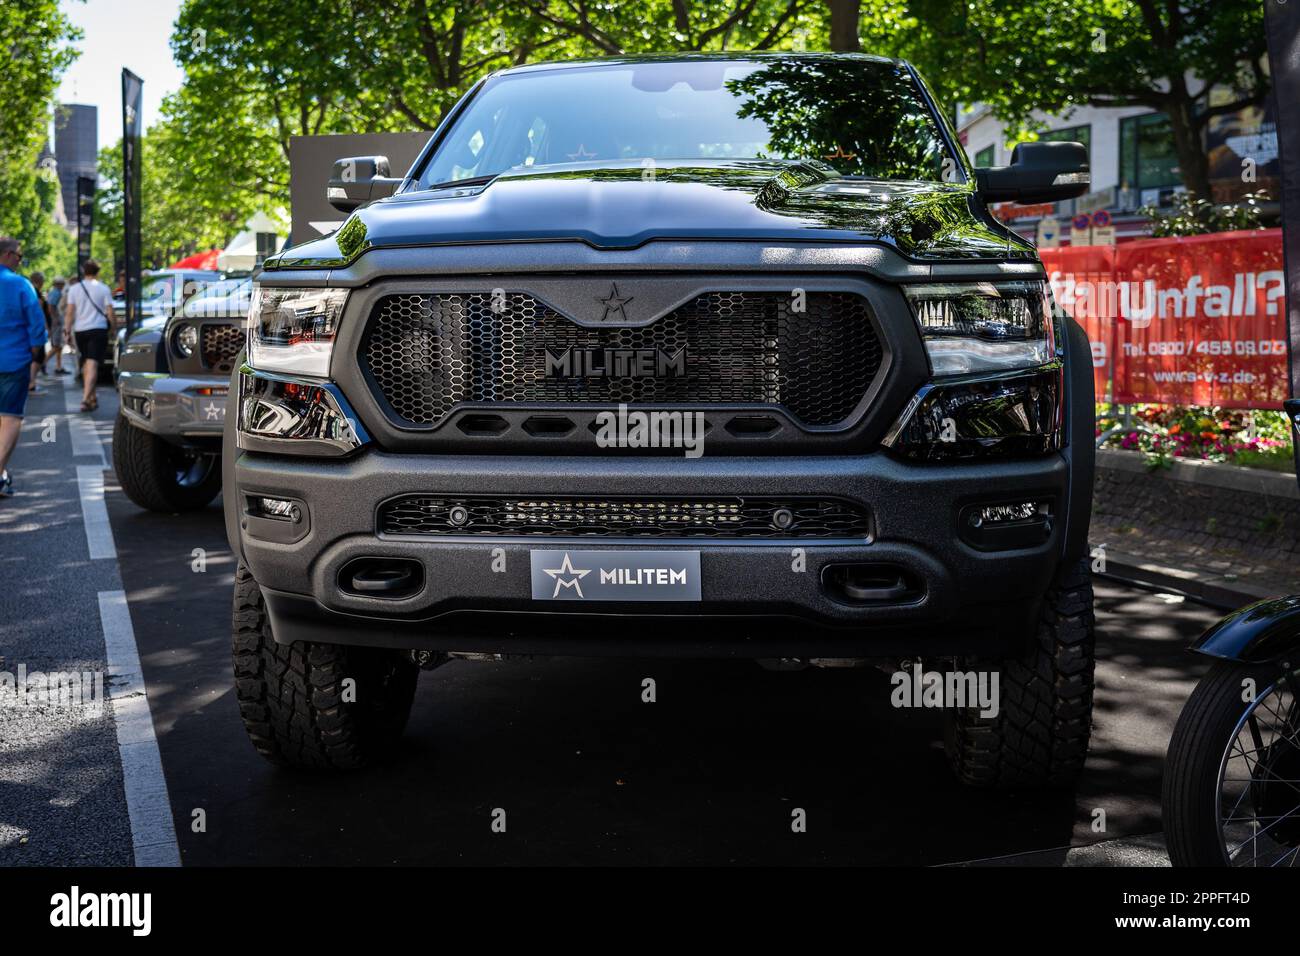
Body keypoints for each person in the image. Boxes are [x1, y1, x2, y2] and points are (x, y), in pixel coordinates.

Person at [0, 237, 48, 497]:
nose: (20, 260)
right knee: (9, 417)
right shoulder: (20, 284)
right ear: (7, 255)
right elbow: (36, 323)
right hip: (12, 360)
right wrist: (35, 347)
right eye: (19, 255)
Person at [63, 258, 115, 413]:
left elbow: (70, 312)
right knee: (92, 363)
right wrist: (113, 328)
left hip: (80, 330)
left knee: (87, 363)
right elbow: (110, 312)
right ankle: (85, 399)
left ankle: (92, 398)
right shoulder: (103, 288)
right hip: (98, 329)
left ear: (83, 271)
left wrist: (67, 331)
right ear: (97, 272)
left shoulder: (74, 289)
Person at [27, 271, 51, 392]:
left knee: (39, 356)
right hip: (37, 328)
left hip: (35, 327)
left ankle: (31, 381)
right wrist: (46, 327)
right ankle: (31, 382)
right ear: (39, 281)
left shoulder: (31, 290)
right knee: (38, 356)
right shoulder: (34, 292)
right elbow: (39, 312)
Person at [45, 276, 66, 374]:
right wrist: (55, 318)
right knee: (56, 345)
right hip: (56, 322)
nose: (63, 285)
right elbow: (50, 307)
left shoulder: (55, 292)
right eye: (62, 283)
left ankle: (58, 366)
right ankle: (43, 363)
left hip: (57, 321)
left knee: (59, 346)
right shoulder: (56, 293)